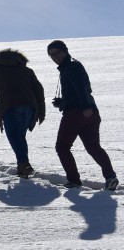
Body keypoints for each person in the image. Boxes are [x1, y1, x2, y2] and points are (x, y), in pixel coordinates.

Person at [46, 40, 118, 190]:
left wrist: (84, 107)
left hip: (77, 113)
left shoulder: (71, 66)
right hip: (90, 113)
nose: (54, 57)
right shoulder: (72, 66)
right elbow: (83, 88)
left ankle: (74, 181)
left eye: (57, 53)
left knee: (62, 147)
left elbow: (81, 88)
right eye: (51, 55)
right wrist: (63, 102)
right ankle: (110, 177)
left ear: (65, 50)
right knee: (93, 147)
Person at [0, 49, 45, 178]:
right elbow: (39, 90)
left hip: (9, 107)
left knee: (15, 137)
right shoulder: (27, 71)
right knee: (20, 137)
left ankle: (24, 165)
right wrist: (41, 112)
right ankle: (22, 167)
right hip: (29, 107)